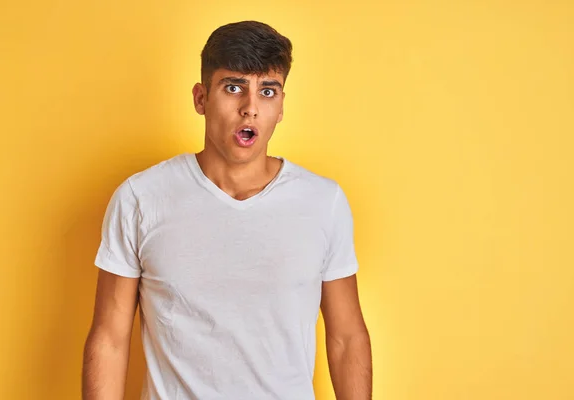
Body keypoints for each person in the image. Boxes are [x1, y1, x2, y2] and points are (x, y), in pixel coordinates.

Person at [82, 20, 372, 400]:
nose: (250, 108)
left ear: (281, 106)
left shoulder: (322, 202)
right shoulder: (141, 198)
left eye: (267, 91)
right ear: (201, 98)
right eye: (233, 88)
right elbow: (109, 339)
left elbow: (347, 337)